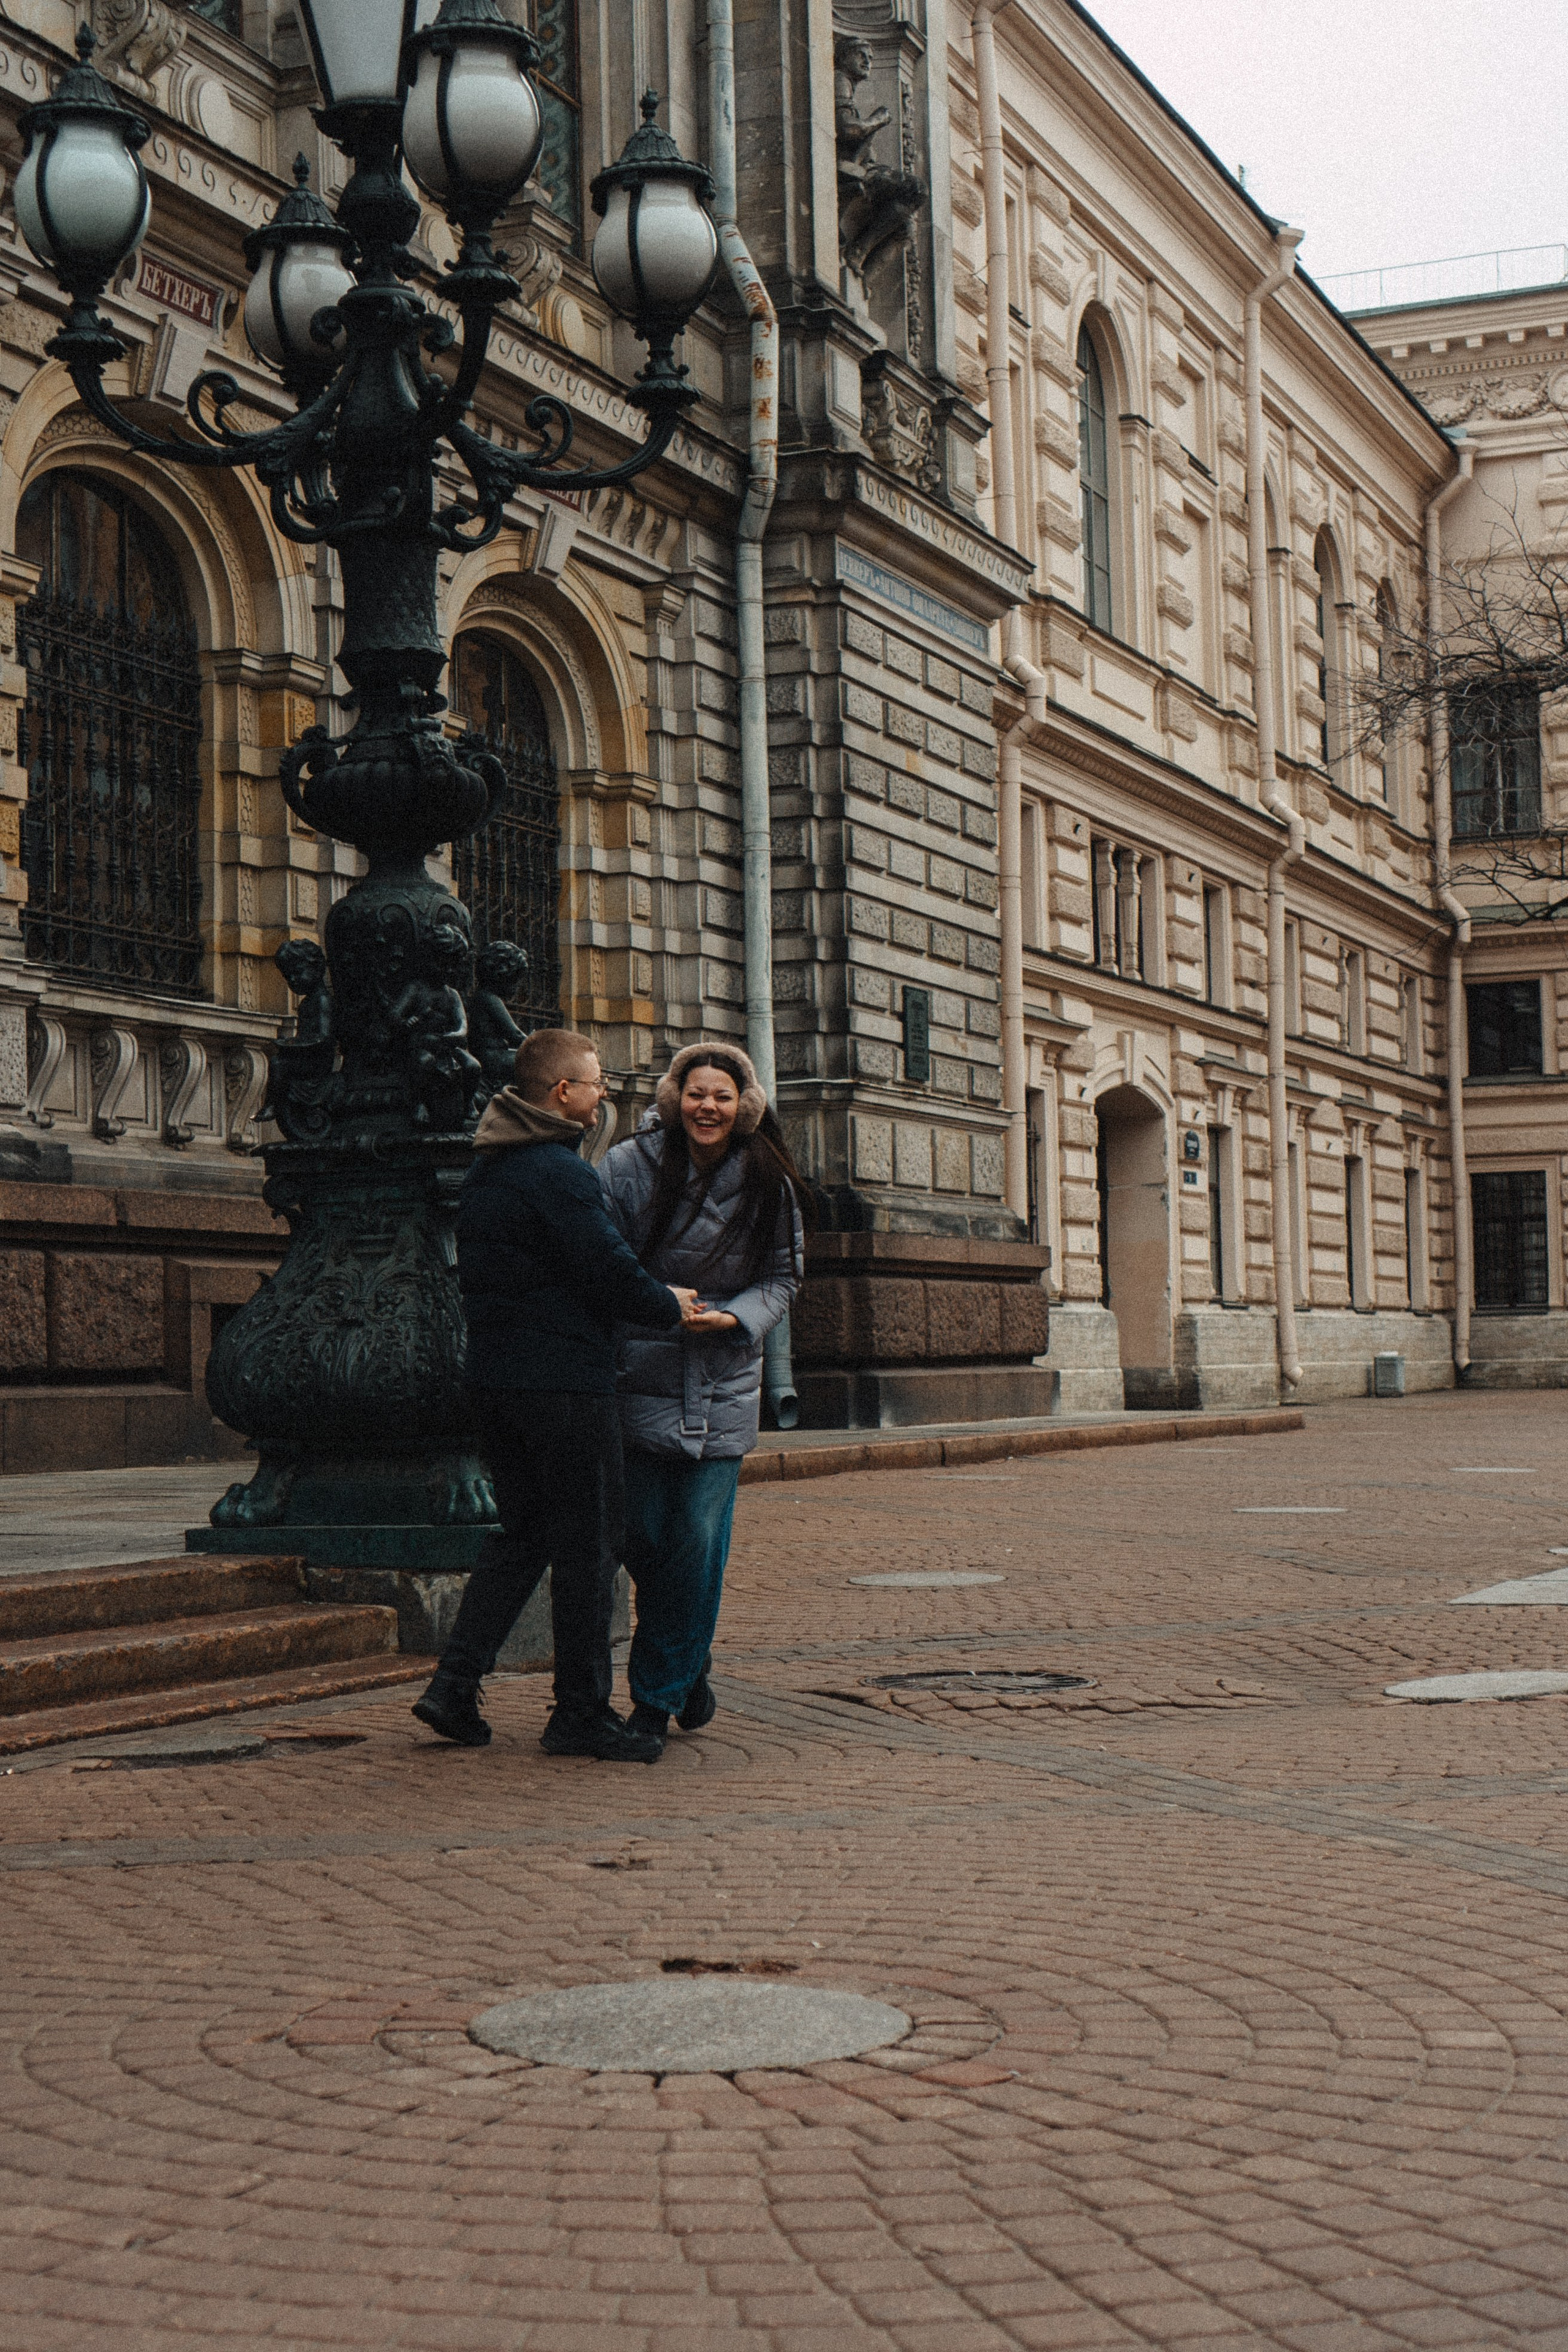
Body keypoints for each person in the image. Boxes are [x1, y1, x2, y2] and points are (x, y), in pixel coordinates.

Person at [412, 1028, 697, 1763]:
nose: (604, 1094)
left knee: (523, 1536)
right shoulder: (560, 1173)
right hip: (566, 1386)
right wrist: (672, 1306)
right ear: (563, 1093)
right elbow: (608, 1271)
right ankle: (579, 1713)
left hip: (498, 1383)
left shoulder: (491, 1170)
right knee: (588, 1548)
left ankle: (454, 1685)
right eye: (596, 1083)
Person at [599, 1041, 807, 1757]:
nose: (707, 1107)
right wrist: (656, 1302)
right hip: (641, 1375)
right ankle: (691, 1671)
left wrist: (737, 1317)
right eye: (695, 1094)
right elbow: (604, 1258)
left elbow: (783, 1277)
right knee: (644, 1540)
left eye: (721, 1095)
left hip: (721, 1381)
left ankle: (652, 1704)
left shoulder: (767, 1179)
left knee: (693, 1541)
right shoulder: (627, 1166)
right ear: (674, 1098)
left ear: (741, 1104)